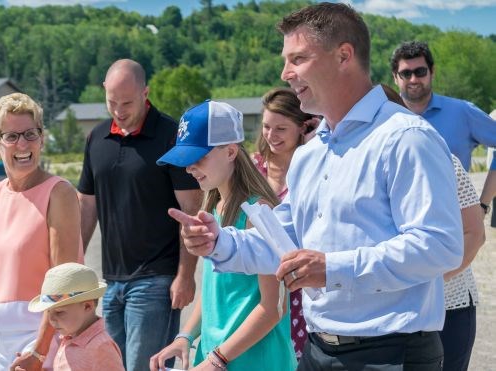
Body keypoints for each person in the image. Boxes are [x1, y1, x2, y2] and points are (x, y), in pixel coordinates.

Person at [168, 3, 463, 370]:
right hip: (318, 349)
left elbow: (441, 246)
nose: (285, 73)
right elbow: (283, 241)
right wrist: (220, 242)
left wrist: (333, 268)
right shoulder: (310, 155)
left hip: (390, 353)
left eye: (298, 58)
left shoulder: (405, 137)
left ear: (343, 56)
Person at [150, 101, 296, 371]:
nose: (189, 168)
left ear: (230, 151)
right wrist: (186, 336)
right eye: (185, 160)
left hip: (256, 360)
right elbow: (213, 293)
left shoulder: (258, 212)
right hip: (218, 356)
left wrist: (217, 360)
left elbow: (274, 307)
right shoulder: (213, 208)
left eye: (198, 157)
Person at [77, 59, 203, 371]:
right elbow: (86, 208)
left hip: (157, 280)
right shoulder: (96, 138)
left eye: (127, 102)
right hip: (111, 281)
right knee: (112, 366)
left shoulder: (171, 136)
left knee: (145, 368)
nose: (119, 110)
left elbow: (191, 210)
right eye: (111, 102)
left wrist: (185, 276)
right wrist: (72, 268)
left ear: (145, 92)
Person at [0, 93, 83, 371]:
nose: (23, 144)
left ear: (41, 138)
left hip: (39, 337)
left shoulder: (58, 194)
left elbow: (63, 283)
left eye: (30, 134)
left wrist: (39, 352)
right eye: (11, 136)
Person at [381, 82, 486, 371]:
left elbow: (474, 234)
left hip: (450, 306)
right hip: (399, 313)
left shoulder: (443, 160)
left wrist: (430, 285)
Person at [390, 40, 496, 217]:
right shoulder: (381, 118)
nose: (413, 79)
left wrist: (483, 204)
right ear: (395, 77)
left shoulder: (462, 112)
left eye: (420, 71)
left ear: (432, 72)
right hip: (394, 227)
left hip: (454, 225)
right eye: (406, 73)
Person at [252, 87, 316, 360]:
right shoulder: (253, 168)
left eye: (280, 128)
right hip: (258, 286)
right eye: (267, 127)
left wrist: (316, 139)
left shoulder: (316, 167)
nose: (271, 135)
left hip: (302, 287)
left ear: (303, 127)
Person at [22, 262, 124, 371]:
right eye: (48, 312)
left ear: (87, 306)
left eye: (59, 312)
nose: (51, 319)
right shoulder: (69, 338)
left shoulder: (101, 347)